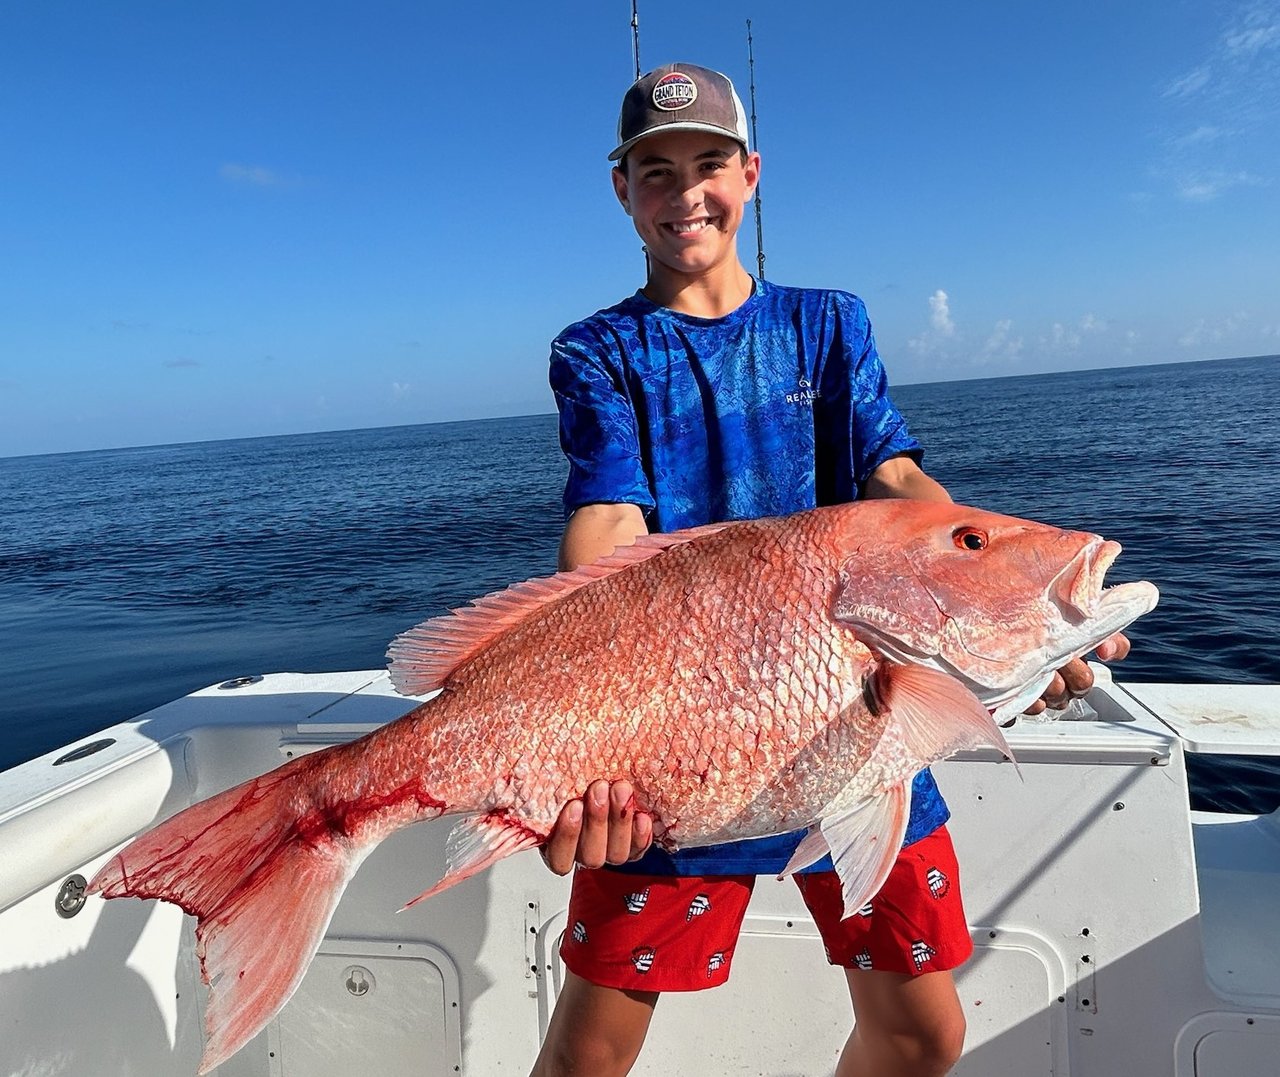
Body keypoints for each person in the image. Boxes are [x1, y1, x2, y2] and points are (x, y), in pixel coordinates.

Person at [530, 62, 1128, 1077]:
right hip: (688, 732)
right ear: (621, 191)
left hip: (860, 722)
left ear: (750, 174)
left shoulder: (827, 324)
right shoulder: (599, 351)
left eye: (708, 165)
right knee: (591, 1054)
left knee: (919, 1032)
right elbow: (608, 516)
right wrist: (571, 720)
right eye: (656, 171)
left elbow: (893, 477)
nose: (686, 194)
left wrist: (1007, 606)